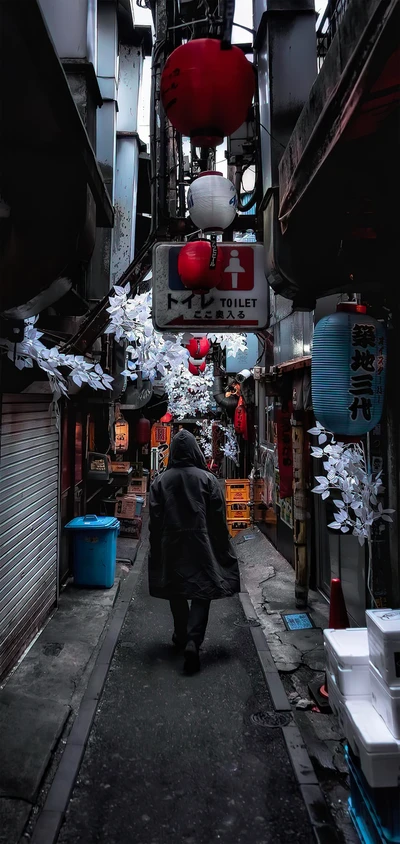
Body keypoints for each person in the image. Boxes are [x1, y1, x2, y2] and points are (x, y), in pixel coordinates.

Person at [148, 429, 240, 673]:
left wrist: (155, 546)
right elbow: (218, 518)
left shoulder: (161, 481)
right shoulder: (207, 480)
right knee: (203, 589)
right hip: (202, 543)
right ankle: (193, 639)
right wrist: (222, 544)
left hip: (171, 543)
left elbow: (154, 519)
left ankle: (180, 634)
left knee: (176, 588)